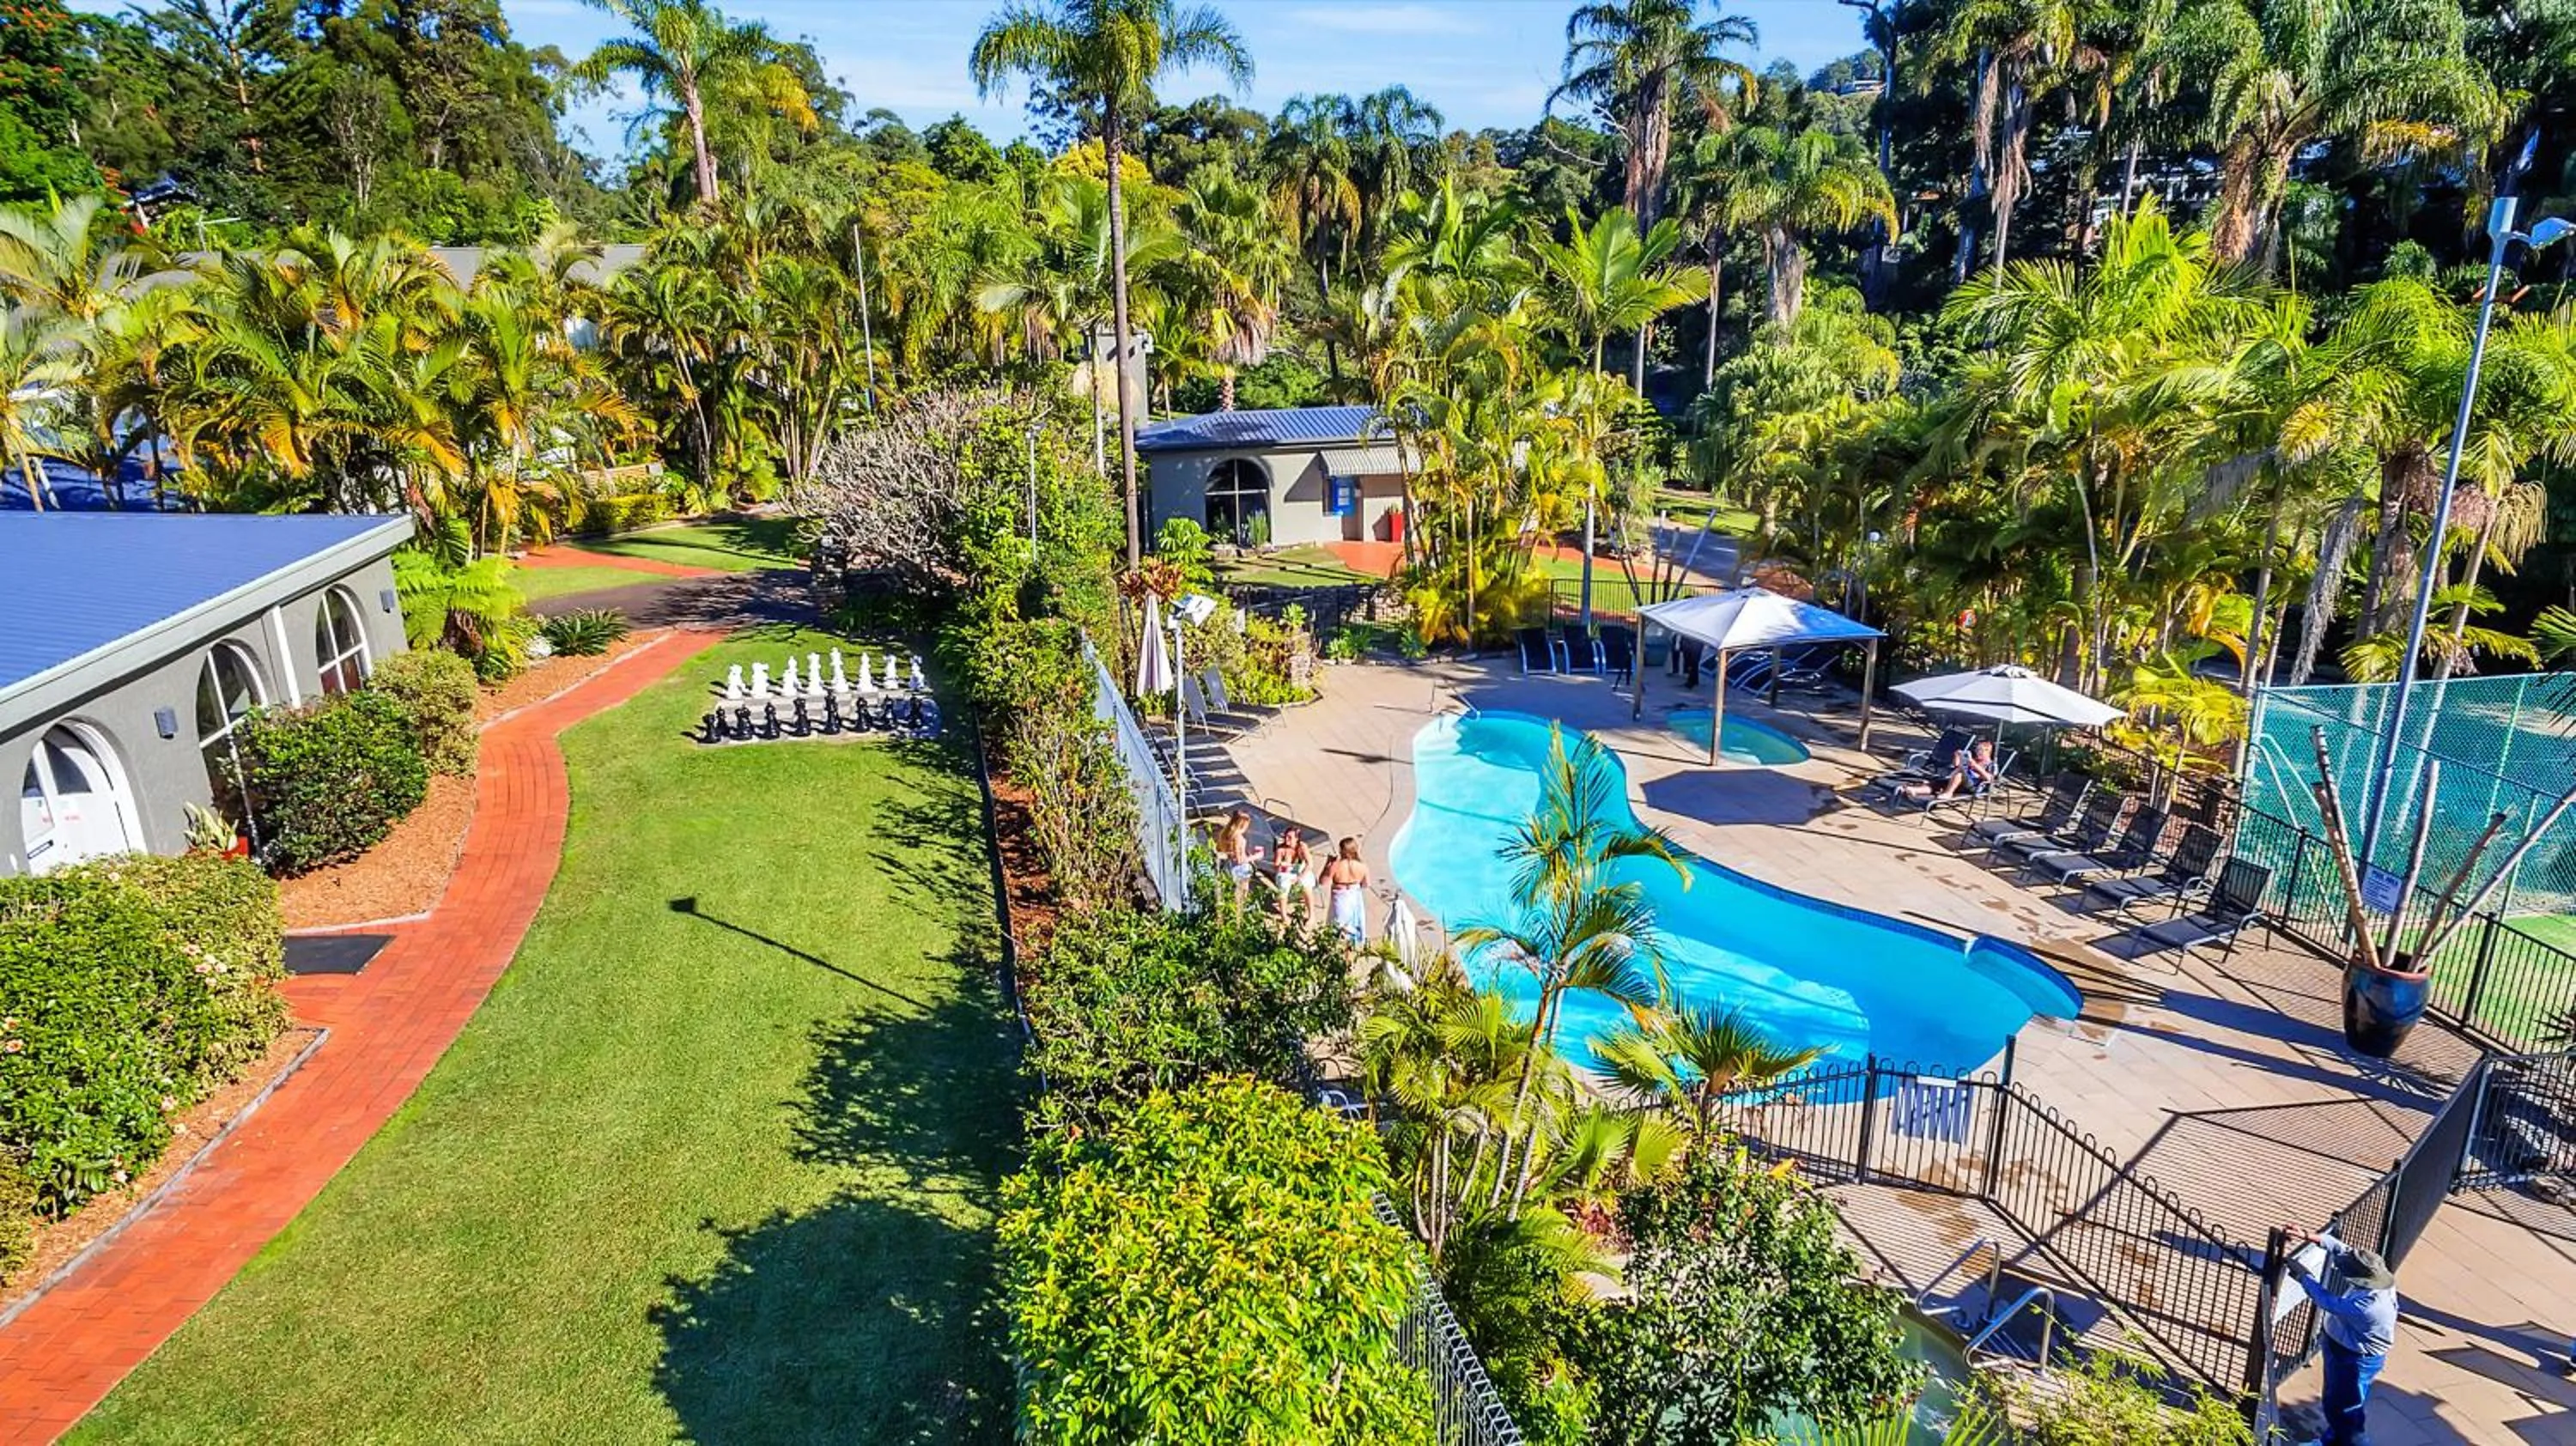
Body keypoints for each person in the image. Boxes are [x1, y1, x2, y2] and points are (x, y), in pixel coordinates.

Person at [2282, 1225, 2397, 1446]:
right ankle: (2333, 1441)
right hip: (2343, 1349)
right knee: (2336, 1402)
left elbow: (2328, 1301)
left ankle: (2352, 1443)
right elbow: (2341, 1249)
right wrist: (2306, 1236)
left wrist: (2304, 1276)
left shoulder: (2368, 1305)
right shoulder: (2375, 1275)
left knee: (2344, 1409)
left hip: (2354, 1358)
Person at [1898, 737, 1997, 801]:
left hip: (1973, 786)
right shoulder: (1973, 759)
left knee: (1960, 772)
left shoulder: (1991, 765)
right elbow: (1956, 765)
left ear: (1988, 751)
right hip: (1957, 781)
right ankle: (1914, 790)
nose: (1978, 752)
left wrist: (1975, 766)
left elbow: (1990, 779)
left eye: (1980, 751)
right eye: (1977, 750)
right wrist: (1957, 756)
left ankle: (1948, 793)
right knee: (1936, 783)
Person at [1317, 836, 1370, 944]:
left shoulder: (1336, 866)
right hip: (1354, 898)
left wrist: (1328, 865)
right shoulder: (1362, 866)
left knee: (1337, 928)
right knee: (1351, 932)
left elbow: (1323, 882)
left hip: (1340, 899)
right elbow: (1366, 884)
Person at [1267, 826, 1314, 925]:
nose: (1286, 839)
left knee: (1307, 887)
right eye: (1286, 837)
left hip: (1300, 870)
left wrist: (1300, 877)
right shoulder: (1281, 849)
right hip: (1285, 872)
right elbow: (1276, 866)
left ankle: (1311, 915)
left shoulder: (1302, 847)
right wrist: (1283, 865)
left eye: (1290, 837)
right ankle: (1284, 916)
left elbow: (1310, 864)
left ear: (1297, 839)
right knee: (1283, 888)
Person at [1213, 810, 1257, 908]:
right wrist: (1255, 856)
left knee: (1232, 892)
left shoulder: (1225, 834)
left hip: (1229, 867)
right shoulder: (1238, 838)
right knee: (1242, 894)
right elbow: (1239, 860)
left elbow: (1219, 850)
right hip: (1240, 868)